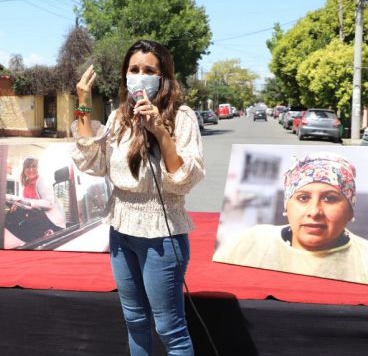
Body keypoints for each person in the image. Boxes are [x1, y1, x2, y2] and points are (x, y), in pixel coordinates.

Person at [71, 40, 205, 355]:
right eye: (134, 69)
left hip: (162, 237)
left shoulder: (181, 117)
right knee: (134, 320)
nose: (140, 75)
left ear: (164, 77)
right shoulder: (120, 118)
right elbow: (94, 162)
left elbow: (183, 180)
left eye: (149, 70)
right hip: (121, 233)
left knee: (169, 329)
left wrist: (159, 130)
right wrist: (83, 103)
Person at [214, 152, 368, 284]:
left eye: (330, 199)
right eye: (303, 198)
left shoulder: (363, 259)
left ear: (350, 211)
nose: (314, 212)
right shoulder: (252, 242)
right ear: (287, 206)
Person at [4, 156, 66, 247]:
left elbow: (49, 204)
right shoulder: (26, 185)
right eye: (28, 167)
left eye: (34, 167)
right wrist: (17, 202)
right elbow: (24, 202)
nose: (31, 169)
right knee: (11, 215)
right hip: (38, 218)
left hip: (52, 222)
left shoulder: (42, 181)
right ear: (24, 169)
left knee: (14, 221)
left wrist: (26, 202)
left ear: (37, 168)